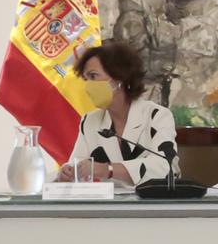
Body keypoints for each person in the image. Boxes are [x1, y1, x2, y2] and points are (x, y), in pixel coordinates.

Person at [60, 40, 177, 185]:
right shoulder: (89, 121)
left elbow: (165, 167)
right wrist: (68, 172)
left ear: (119, 77)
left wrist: (108, 170)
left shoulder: (156, 115)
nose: (88, 86)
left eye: (93, 76)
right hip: (109, 200)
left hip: (154, 199)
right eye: (86, 79)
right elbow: (77, 165)